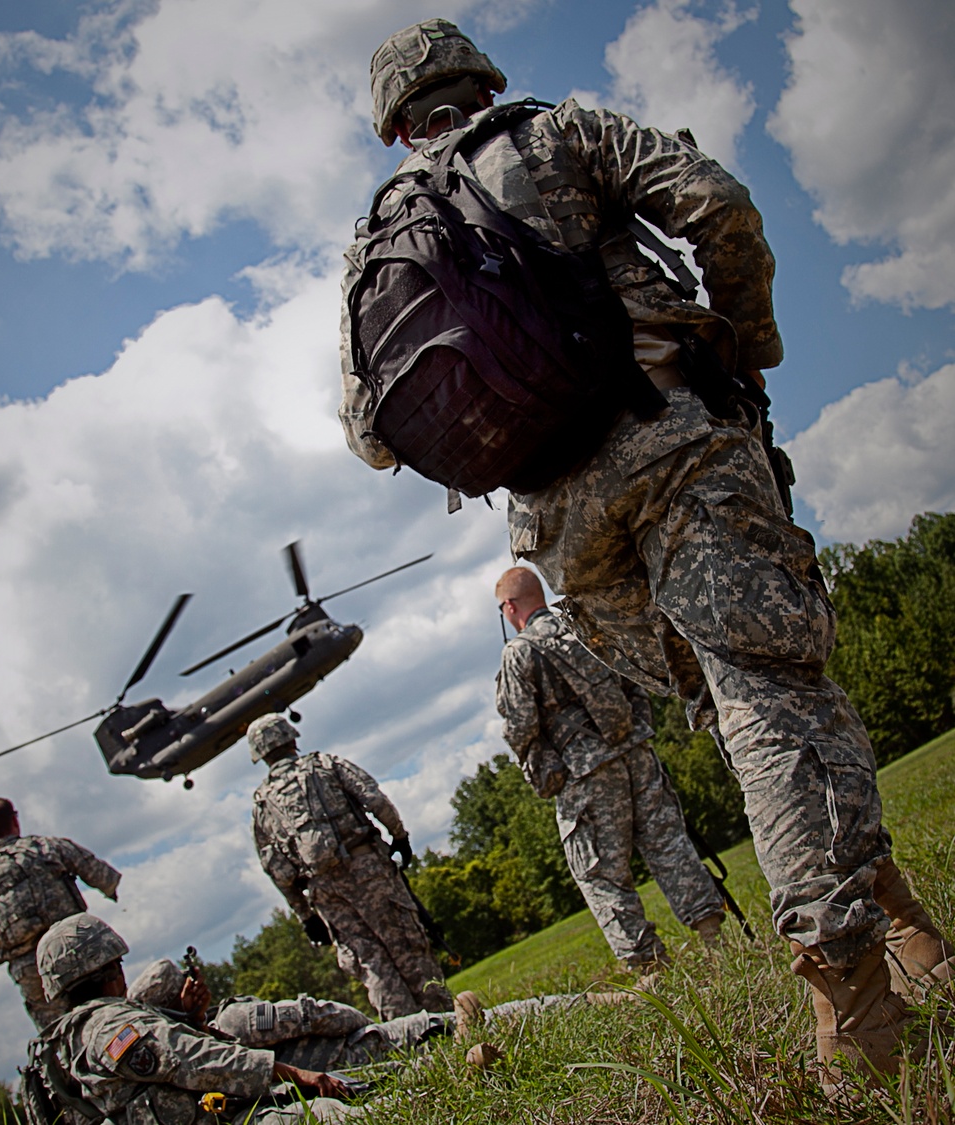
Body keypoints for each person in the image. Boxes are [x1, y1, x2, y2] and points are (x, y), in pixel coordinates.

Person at [340, 18, 953, 1091]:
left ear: (396, 126)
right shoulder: (560, 133)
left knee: (735, 709)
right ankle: (853, 1006)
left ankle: (904, 923)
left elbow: (371, 434)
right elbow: (719, 208)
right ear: (482, 80)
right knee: (771, 691)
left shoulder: (379, 236)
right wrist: (745, 349)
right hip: (673, 442)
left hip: (564, 534)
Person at [494, 566, 726, 971]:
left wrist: (547, 770)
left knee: (600, 872)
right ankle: (715, 941)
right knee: (669, 845)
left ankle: (651, 970)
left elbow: (519, 726)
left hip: (584, 774)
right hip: (636, 752)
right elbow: (634, 679)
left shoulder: (520, 652)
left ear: (509, 607)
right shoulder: (585, 627)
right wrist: (634, 728)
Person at [31, 914, 357, 1124]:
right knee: (330, 1115)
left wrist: (191, 1019)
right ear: (110, 967)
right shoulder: (109, 1024)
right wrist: (301, 1076)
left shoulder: (65, 1040)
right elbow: (197, 1060)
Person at [248, 715, 452, 1021]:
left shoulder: (262, 804)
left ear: (260, 755)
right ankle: (446, 1023)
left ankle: (410, 1038)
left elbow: (275, 868)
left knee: (372, 964)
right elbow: (373, 799)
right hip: (367, 869)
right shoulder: (325, 765)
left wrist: (306, 916)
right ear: (291, 739)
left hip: (325, 893)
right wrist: (399, 836)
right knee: (407, 945)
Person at [127, 957, 635, 1072]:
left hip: (357, 1079)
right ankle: (617, 1000)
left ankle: (467, 1053)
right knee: (499, 1015)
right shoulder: (232, 1023)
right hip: (373, 1048)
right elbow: (332, 1015)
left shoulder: (199, 1064)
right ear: (185, 993)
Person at [0, 797, 121, 1029]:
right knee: (111, 1019)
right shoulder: (42, 846)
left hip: (29, 969)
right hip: (74, 948)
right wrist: (111, 890)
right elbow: (100, 874)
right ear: (15, 820)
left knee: (60, 1037)